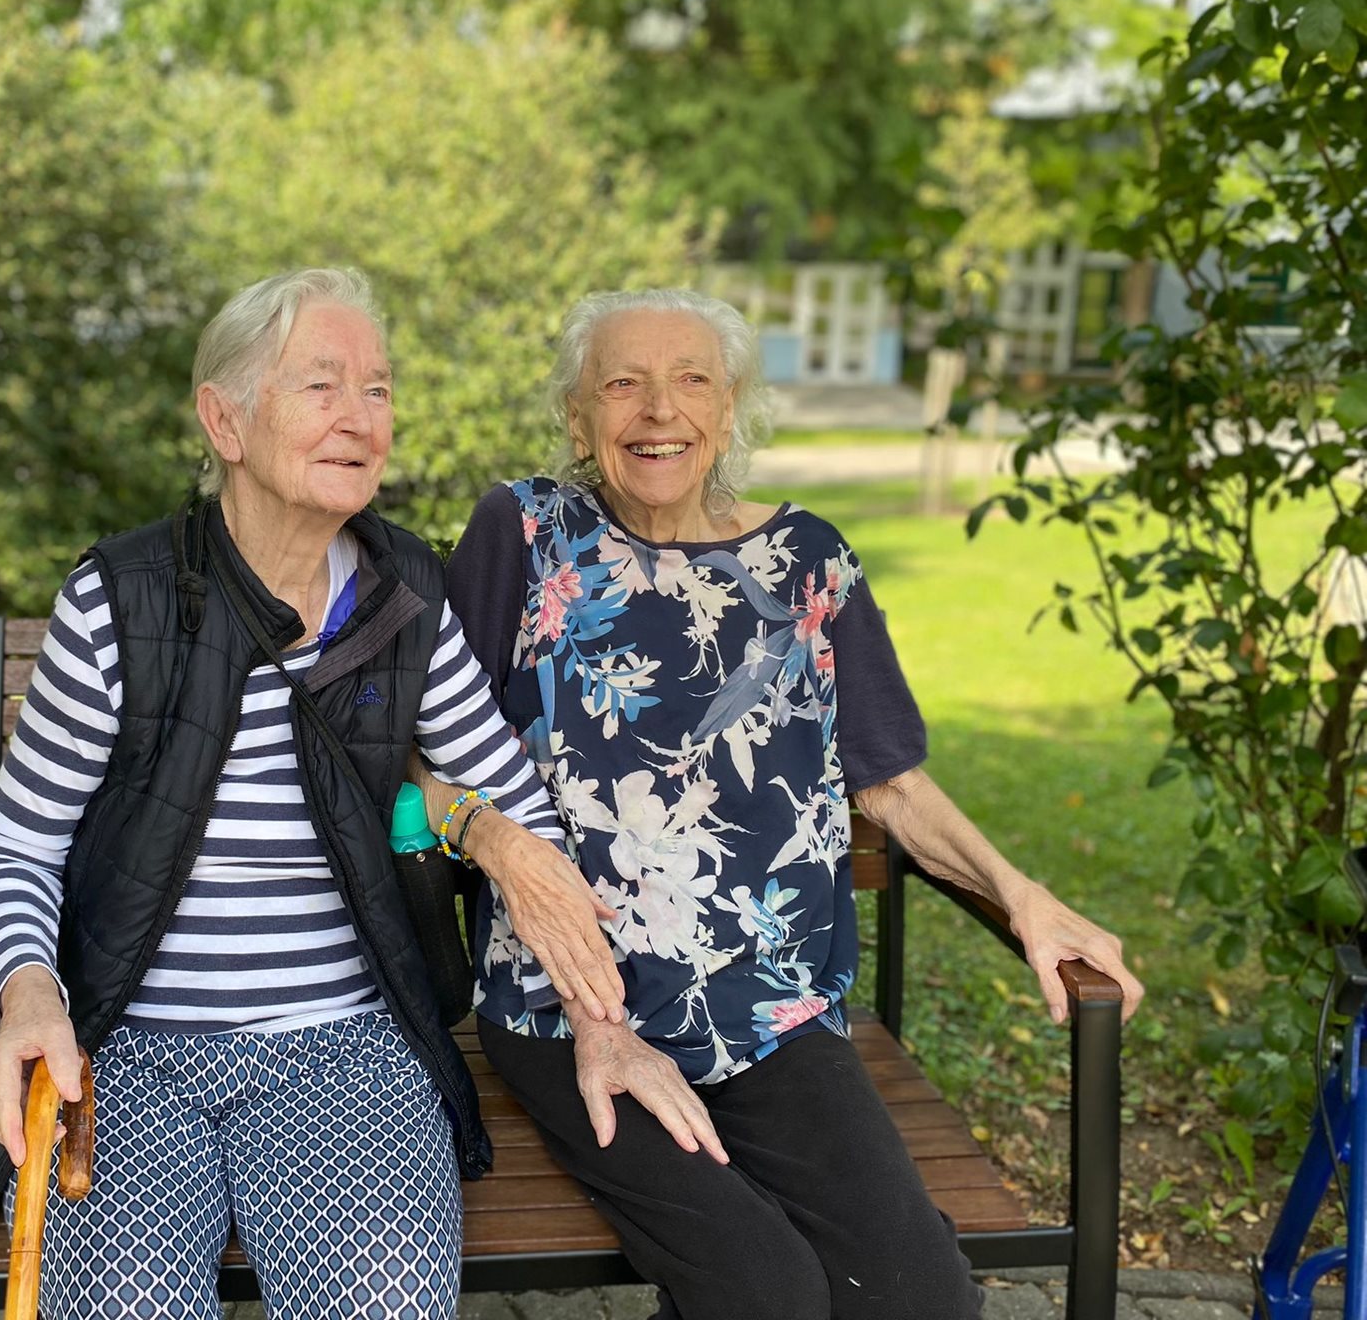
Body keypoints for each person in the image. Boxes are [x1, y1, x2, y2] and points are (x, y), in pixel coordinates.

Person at [417, 288, 1145, 1320]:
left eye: (691, 380)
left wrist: (1020, 894)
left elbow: (890, 781)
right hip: (571, 1004)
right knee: (765, 1292)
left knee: (921, 1298)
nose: (658, 410)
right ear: (578, 420)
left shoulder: (810, 561)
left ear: (730, 410)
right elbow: (423, 757)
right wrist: (490, 839)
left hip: (773, 1008)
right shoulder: (524, 533)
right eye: (622, 384)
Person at [0, 267, 624, 1320]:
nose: (361, 417)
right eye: (322, 385)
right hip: (127, 1045)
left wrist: (589, 1001)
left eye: (378, 390)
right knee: (123, 1306)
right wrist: (29, 994)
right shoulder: (121, 601)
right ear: (226, 421)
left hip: (342, 1041)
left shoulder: (403, 594)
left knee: (382, 1299)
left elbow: (506, 799)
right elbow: (16, 849)